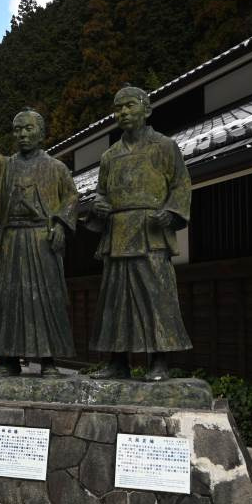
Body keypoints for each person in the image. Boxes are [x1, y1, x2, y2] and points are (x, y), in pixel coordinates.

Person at [89, 86, 192, 381]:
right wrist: (99, 204)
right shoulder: (110, 155)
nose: (122, 112)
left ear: (146, 109)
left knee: (157, 297)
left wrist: (171, 212)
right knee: (115, 300)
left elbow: (181, 185)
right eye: (118, 108)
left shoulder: (164, 146)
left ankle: (159, 361)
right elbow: (101, 193)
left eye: (129, 106)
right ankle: (117, 361)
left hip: (151, 232)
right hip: (118, 232)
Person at [0, 109, 77, 376]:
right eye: (18, 130)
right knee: (8, 298)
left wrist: (61, 224)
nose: (23, 134)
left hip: (42, 240)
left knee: (47, 297)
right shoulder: (8, 165)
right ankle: (8, 359)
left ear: (40, 132)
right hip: (12, 238)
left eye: (28, 129)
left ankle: (49, 361)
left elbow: (71, 199)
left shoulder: (56, 167)